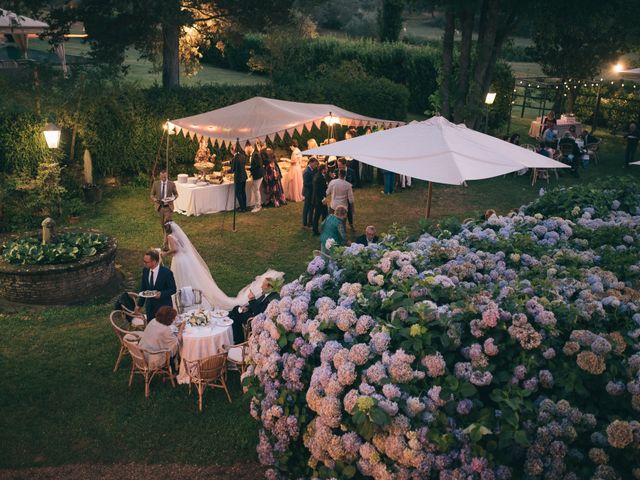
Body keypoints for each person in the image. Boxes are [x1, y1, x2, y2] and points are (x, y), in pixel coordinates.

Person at [160, 221, 283, 311]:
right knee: (188, 277)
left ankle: (183, 301)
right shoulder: (177, 235)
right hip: (185, 259)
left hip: (179, 260)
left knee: (180, 278)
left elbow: (175, 249)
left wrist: (165, 253)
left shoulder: (171, 236)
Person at [228, 277, 280, 343]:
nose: (261, 286)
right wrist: (247, 308)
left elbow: (259, 314)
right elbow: (258, 304)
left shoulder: (272, 299)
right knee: (236, 312)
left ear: (268, 286)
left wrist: (252, 299)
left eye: (263, 285)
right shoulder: (267, 294)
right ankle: (238, 340)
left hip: (255, 321)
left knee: (235, 313)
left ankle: (238, 340)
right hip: (253, 314)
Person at [135, 249, 177, 322]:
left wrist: (161, 294)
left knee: (164, 328)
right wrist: (139, 305)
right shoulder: (145, 270)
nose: (144, 264)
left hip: (164, 308)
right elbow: (143, 288)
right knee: (151, 328)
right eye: (144, 261)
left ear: (154, 261)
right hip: (150, 307)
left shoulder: (166, 273)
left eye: (146, 262)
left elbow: (173, 289)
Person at [138, 306, 184, 370]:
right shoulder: (166, 330)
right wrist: (181, 329)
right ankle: (176, 367)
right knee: (178, 346)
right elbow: (176, 344)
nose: (174, 319)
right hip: (153, 359)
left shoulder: (153, 321)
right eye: (173, 318)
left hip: (141, 353)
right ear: (169, 319)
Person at [229, 142, 248, 212]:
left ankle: (242, 208)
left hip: (238, 178)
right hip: (244, 176)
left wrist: (225, 171)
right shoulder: (242, 156)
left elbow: (232, 170)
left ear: (233, 150)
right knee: (243, 192)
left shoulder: (235, 158)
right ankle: (245, 207)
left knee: (238, 193)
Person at [312, 164, 329, 236]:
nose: (327, 169)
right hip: (320, 200)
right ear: (323, 169)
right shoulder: (320, 178)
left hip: (317, 199)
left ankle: (317, 229)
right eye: (326, 168)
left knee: (319, 215)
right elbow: (319, 190)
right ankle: (319, 230)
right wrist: (323, 199)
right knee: (321, 215)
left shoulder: (318, 175)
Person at [246, 142, 263, 213]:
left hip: (258, 175)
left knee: (256, 190)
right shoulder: (253, 154)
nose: (245, 150)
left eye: (246, 148)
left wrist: (249, 168)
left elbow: (259, 165)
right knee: (254, 189)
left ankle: (258, 206)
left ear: (250, 147)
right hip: (256, 174)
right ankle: (257, 203)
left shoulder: (255, 154)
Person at [302, 157, 318, 228]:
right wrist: (314, 183)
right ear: (310, 163)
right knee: (306, 208)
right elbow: (306, 183)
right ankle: (305, 223)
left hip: (312, 193)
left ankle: (310, 222)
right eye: (315, 164)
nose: (315, 166)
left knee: (311, 208)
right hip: (308, 192)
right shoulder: (307, 172)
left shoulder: (313, 170)